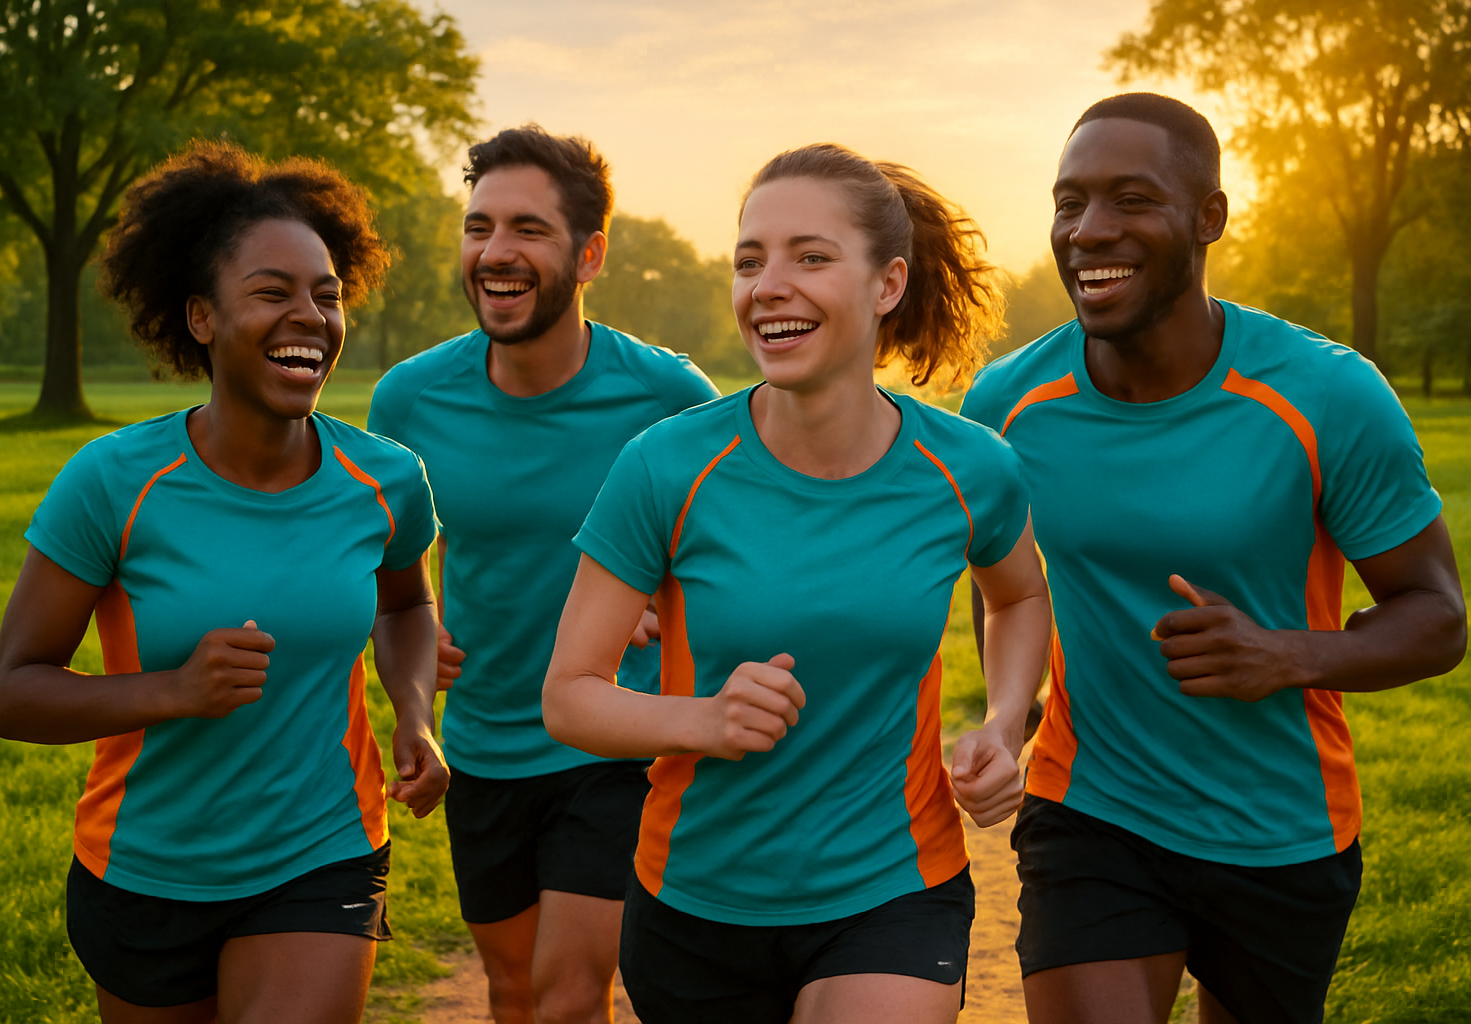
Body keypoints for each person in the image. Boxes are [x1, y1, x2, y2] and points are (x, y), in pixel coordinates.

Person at [960, 93, 1467, 1024]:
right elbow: (1000, 590)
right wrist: (1005, 717)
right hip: (1092, 809)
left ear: (1209, 218)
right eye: (1070, 202)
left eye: (1131, 200)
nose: (1089, 230)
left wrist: (1288, 654)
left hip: (1280, 828)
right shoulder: (1008, 404)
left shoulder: (1328, 395)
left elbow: (1437, 617)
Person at [542, 143, 1054, 1024]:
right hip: (698, 899)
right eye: (750, 262)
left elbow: (1019, 596)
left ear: (888, 283)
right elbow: (569, 696)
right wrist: (702, 720)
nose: (768, 286)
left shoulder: (970, 467)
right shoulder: (667, 466)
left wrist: (1007, 724)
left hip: (896, 884)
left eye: (810, 257)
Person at [0, 141, 449, 1024]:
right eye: (272, 293)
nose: (309, 316)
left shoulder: (386, 480)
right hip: (147, 866)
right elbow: (12, 694)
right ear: (201, 317)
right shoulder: (114, 482)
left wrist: (416, 713)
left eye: (327, 295)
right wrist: (174, 690)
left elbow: (407, 605)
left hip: (324, 850)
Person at [366, 125, 719, 1024]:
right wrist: (423, 653)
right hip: (486, 741)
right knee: (514, 994)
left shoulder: (668, 397)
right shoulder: (409, 400)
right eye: (479, 226)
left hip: (615, 739)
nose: (496, 251)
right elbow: (399, 576)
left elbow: (729, 555)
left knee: (568, 998)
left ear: (589, 255)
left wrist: (661, 599)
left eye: (528, 229)